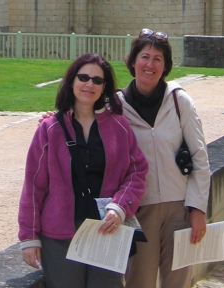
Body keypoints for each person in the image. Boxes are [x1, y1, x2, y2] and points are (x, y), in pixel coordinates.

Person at [18, 52, 148, 288]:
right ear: (72, 81)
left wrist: (119, 207)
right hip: (60, 235)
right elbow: (34, 186)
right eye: (84, 77)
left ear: (104, 87)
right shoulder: (49, 130)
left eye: (97, 80)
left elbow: (137, 173)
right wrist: (29, 237)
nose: (90, 84)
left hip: (107, 229)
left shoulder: (119, 126)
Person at [121, 29, 211, 288]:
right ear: (133, 61)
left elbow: (199, 156)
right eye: (145, 57)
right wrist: (53, 119)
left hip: (178, 209)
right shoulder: (117, 105)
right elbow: (85, 117)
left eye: (158, 59)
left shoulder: (179, 100)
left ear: (166, 66)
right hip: (139, 209)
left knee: (178, 282)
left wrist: (197, 210)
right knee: (139, 281)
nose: (150, 65)